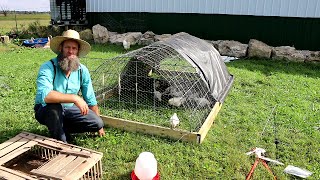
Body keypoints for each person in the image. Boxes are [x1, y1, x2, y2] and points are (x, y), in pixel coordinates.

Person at [34, 29, 105, 143]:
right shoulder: (48, 67)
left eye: (74, 48)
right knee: (54, 108)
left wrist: (99, 126)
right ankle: (62, 142)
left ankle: (60, 128)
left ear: (78, 51)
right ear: (60, 48)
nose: (70, 51)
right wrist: (75, 98)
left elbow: (90, 99)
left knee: (97, 122)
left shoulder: (82, 70)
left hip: (69, 109)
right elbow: (45, 95)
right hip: (45, 109)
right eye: (67, 47)